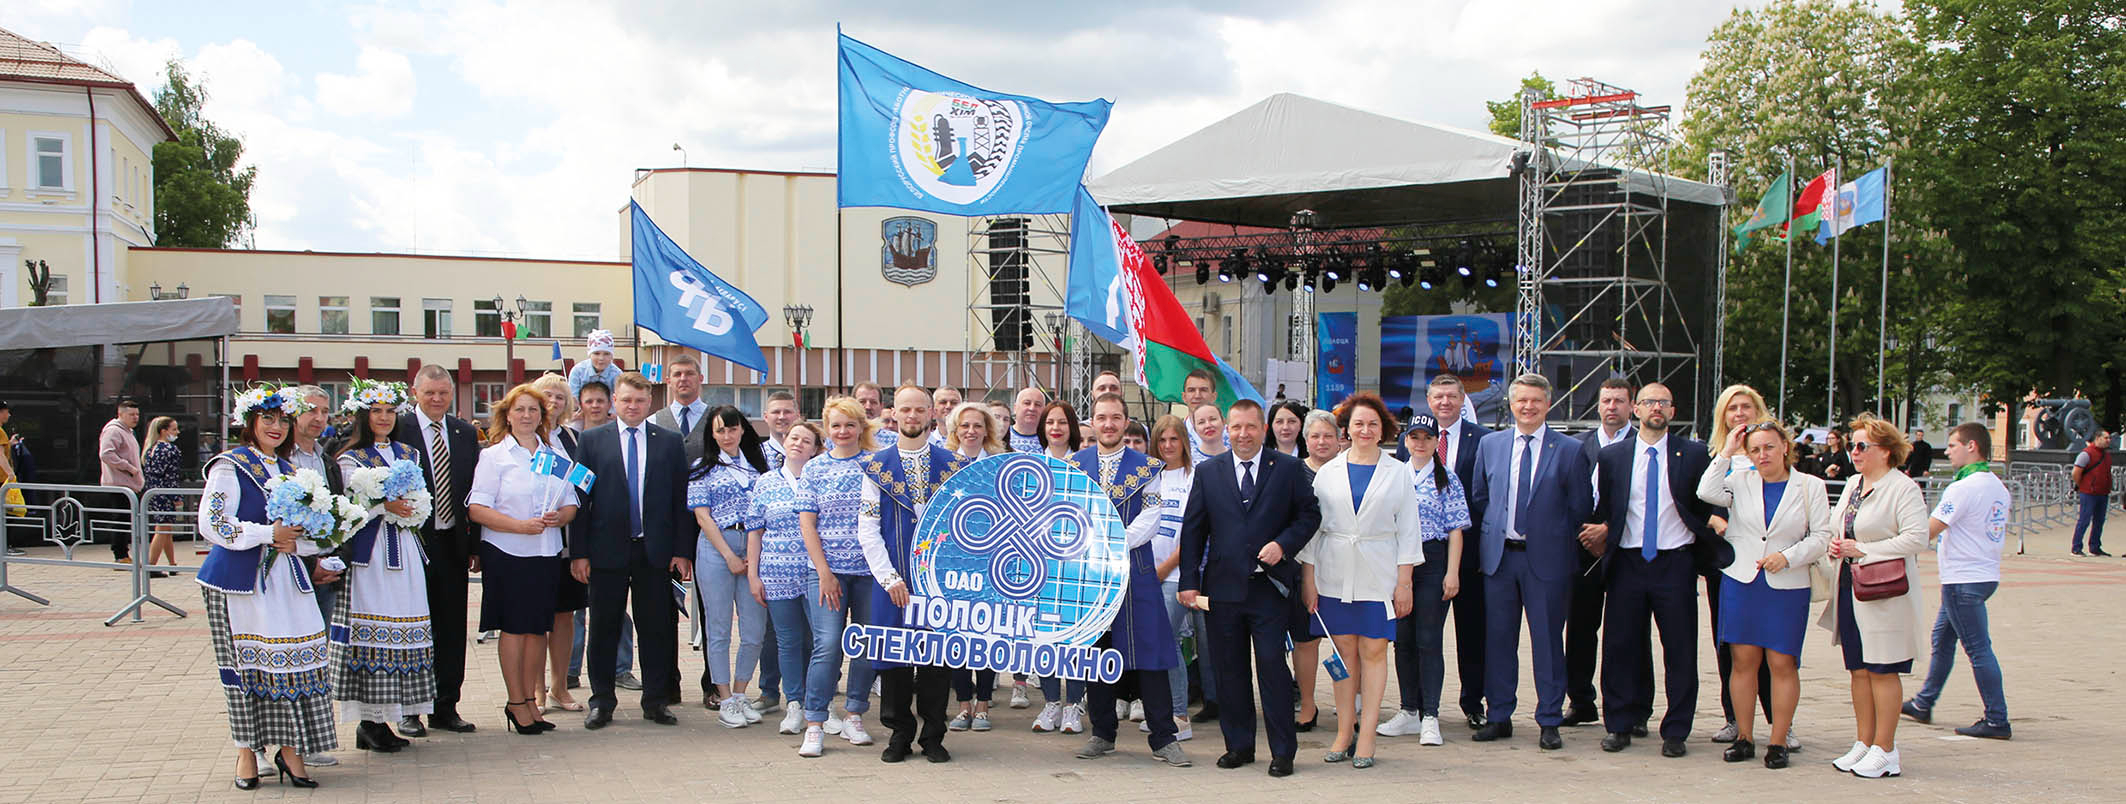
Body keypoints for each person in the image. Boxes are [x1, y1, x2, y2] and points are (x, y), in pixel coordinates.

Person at [195, 386, 333, 790]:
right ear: (250, 423)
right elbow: (213, 523)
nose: (276, 427)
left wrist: (300, 542)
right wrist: (266, 533)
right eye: (268, 419)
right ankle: (246, 751)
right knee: (247, 667)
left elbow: (313, 531)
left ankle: (291, 750)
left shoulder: (291, 470)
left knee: (294, 665)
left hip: (287, 580)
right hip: (240, 581)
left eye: (283, 420)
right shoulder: (230, 465)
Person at [1178, 399, 1323, 778]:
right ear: (1228, 429)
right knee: (1230, 671)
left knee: (1273, 670)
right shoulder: (1209, 472)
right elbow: (1193, 530)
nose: (1243, 435)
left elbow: (1310, 514)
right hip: (1222, 590)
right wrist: (1189, 582)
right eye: (1237, 427)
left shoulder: (1288, 469)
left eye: (1251, 427)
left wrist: (1284, 544)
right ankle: (1239, 746)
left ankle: (1282, 752)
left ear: (1264, 429)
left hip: (1269, 588)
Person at [1584, 382, 1716, 758]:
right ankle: (1620, 724)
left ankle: (1676, 729)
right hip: (1627, 561)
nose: (1656, 408)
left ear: (1672, 411)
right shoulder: (1613, 457)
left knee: (1679, 649)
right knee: (1620, 647)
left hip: (1675, 562)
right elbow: (1607, 508)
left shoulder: (1693, 454)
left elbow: (1706, 502)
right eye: (1648, 402)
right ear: (1636, 410)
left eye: (1664, 402)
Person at [1468, 374, 1594, 751]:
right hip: (1500, 560)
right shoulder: (1491, 445)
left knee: (1548, 643)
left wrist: (1550, 536)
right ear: (1511, 404)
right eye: (1521, 400)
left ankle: (1549, 719)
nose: (1528, 407)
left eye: (1536, 401)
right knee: (1499, 641)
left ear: (1547, 404)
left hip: (1548, 563)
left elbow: (1579, 507)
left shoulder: (1570, 449)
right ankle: (1499, 715)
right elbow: (1480, 496)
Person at [1697, 419, 1832, 768]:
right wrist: (1728, 451)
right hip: (1743, 581)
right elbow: (1706, 492)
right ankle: (1744, 736)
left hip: (1786, 583)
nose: (1763, 455)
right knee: (1743, 662)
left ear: (1785, 446)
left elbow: (1821, 537)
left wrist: (1787, 557)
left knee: (1782, 662)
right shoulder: (1740, 481)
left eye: (1769, 447)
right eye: (1755, 449)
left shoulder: (1810, 486)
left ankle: (1778, 740)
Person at [1299, 393, 1421, 769]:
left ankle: (1367, 735)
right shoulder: (1329, 471)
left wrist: (1405, 583)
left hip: (1378, 575)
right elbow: (1314, 530)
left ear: (1382, 429)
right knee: (1342, 655)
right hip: (1334, 573)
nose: (1365, 430)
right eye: (1358, 424)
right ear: (1346, 431)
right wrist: (1309, 579)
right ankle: (1344, 730)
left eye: (1372, 424)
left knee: (1374, 652)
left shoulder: (1399, 470)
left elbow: (1409, 531)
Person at [571, 371, 693, 730]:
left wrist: (681, 550)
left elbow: (679, 500)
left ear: (649, 402)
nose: (633, 406)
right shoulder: (591, 441)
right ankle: (602, 701)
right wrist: (578, 552)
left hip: (654, 552)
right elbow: (580, 500)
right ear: (614, 402)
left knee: (656, 629)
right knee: (605, 628)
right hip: (605, 551)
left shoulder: (669, 442)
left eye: (639, 401)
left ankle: (655, 701)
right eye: (626, 400)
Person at [1074, 393, 1191, 767]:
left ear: (1126, 422)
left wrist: (1111, 543)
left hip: (1135, 571)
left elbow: (1151, 517)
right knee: (1097, 653)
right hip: (1091, 574)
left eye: (1116, 418)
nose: (1108, 424)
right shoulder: (1075, 465)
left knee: (1150, 653)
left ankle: (1163, 737)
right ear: (1092, 421)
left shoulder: (1147, 467)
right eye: (1101, 417)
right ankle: (1102, 732)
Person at [856, 385, 966, 763]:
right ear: (894, 414)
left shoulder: (953, 465)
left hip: (939, 581)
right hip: (894, 579)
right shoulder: (875, 466)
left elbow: (968, 526)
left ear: (933, 414)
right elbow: (867, 529)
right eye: (906, 410)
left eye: (920, 410)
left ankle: (933, 735)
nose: (913, 416)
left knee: (937, 661)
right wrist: (889, 578)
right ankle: (899, 733)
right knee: (895, 660)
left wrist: (953, 579)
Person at [330, 378, 437, 753]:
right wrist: (382, 507)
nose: (384, 417)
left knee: (405, 625)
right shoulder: (349, 459)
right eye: (376, 411)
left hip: (405, 548)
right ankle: (369, 720)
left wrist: (413, 512)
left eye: (390, 411)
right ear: (363, 414)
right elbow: (345, 511)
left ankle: (390, 716)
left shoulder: (409, 453)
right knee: (374, 629)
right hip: (370, 553)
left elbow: (421, 499)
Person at [1823, 414, 1931, 779]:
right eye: (1852, 445)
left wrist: (1864, 549)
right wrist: (1837, 545)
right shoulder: (1854, 483)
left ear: (1885, 452)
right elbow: (1839, 526)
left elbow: (1917, 539)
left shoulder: (1903, 488)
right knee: (1858, 669)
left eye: (1861, 446)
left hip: (1885, 591)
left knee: (1883, 669)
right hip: (1850, 585)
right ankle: (1864, 742)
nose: (1854, 452)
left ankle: (1886, 748)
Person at [468, 385, 578, 735]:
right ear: (508, 415)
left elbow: (570, 502)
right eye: (520, 410)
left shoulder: (555, 455)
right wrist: (519, 526)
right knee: (515, 629)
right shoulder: (494, 456)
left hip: (545, 552)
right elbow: (477, 509)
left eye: (533, 410)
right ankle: (516, 702)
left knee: (537, 630)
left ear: (543, 416)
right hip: (508, 553)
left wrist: (561, 518)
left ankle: (533, 701)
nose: (527, 416)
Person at [1902, 422, 2014, 740]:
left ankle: (1997, 718)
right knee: (1943, 638)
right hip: (1984, 573)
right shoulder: (1996, 485)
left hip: (1963, 577)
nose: (1948, 451)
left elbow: (1931, 529)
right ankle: (1924, 702)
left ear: (1972, 447)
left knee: (1978, 648)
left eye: (1953, 445)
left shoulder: (1963, 488)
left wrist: (1894, 541)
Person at [392, 365, 481, 736]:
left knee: (450, 627)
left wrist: (475, 546)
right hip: (413, 543)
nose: (437, 399)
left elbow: (473, 492)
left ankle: (445, 705)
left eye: (443, 393)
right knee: (414, 627)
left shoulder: (463, 433)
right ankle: (409, 709)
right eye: (430, 393)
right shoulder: (398, 428)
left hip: (453, 545)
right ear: (415, 392)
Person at [1377, 412, 1469, 746]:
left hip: (1432, 561)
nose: (1419, 443)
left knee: (1428, 639)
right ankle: (1408, 711)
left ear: (1435, 442)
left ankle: (1431, 714)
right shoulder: (1393, 475)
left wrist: (1452, 572)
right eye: (1414, 437)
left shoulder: (1447, 479)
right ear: (1405, 440)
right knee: (1402, 638)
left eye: (1426, 438)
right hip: (1398, 563)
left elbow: (1456, 529)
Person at [801, 397, 883, 746]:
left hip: (869, 574)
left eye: (850, 425)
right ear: (826, 428)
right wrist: (824, 571)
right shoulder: (815, 469)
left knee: (865, 645)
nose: (843, 431)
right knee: (828, 645)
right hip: (827, 572)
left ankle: (854, 715)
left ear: (861, 427)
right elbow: (807, 524)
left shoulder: (876, 464)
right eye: (836, 425)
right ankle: (815, 723)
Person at [1705, 383, 1778, 745]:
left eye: (1746, 407)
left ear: (1758, 410)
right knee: (1730, 647)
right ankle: (1735, 718)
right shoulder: (1715, 457)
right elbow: (1702, 502)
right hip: (1728, 565)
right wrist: (1714, 520)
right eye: (1732, 409)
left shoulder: (1773, 455)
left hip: (1773, 564)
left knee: (1775, 650)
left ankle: (1781, 722)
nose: (1739, 414)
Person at [689, 406, 769, 727]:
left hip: (754, 546)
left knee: (754, 629)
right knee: (718, 627)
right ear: (712, 433)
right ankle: (723, 696)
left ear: (742, 430)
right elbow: (702, 516)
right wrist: (729, 556)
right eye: (720, 430)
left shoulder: (759, 467)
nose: (727, 436)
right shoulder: (702, 468)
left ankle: (739, 692)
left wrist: (754, 553)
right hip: (716, 547)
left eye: (732, 429)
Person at [1566, 378, 1637, 728]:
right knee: (1579, 628)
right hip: (1583, 547)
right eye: (1607, 400)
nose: (1612, 407)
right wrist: (1586, 533)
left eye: (1619, 401)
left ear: (1632, 406)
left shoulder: (1643, 444)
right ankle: (1580, 701)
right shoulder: (1579, 445)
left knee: (1628, 632)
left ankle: (1633, 709)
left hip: (1627, 548)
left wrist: (1609, 530)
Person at [566, 380, 642, 693]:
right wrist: (579, 551)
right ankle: (577, 674)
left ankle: (622, 669)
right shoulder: (584, 440)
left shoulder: (643, 438)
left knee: (620, 618)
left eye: (600, 401)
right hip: (600, 546)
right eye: (589, 401)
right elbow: (580, 499)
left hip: (638, 546)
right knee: (588, 617)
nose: (595, 406)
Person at [752, 421, 825, 744]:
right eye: (793, 437)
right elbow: (755, 531)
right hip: (776, 571)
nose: (797, 443)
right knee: (788, 640)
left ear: (815, 448)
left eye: (805, 440)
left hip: (814, 572)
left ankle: (818, 704)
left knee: (821, 641)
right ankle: (793, 702)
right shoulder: (765, 482)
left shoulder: (821, 478)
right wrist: (753, 574)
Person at [1428, 375, 1491, 730]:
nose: (1445, 402)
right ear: (1430, 400)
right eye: (1438, 396)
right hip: (1427, 553)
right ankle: (1422, 704)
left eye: (1451, 396)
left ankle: (1473, 702)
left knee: (1472, 632)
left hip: (1470, 551)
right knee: (1425, 633)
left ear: (1462, 399)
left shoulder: (1482, 440)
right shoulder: (1415, 439)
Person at [940, 401, 1007, 731]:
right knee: (957, 637)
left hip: (988, 564)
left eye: (977, 425)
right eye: (964, 426)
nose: (970, 431)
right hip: (952, 564)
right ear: (955, 431)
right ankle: (963, 705)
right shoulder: (943, 466)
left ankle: (983, 704)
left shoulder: (998, 467)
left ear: (987, 431)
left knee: (986, 636)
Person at [530, 373, 588, 714]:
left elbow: (582, 484)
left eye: (560, 397)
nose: (553, 402)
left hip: (567, 538)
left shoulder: (571, 437)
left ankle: (560, 686)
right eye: (547, 396)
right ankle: (535, 690)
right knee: (537, 617)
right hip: (533, 539)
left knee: (566, 615)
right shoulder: (522, 437)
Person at [1031, 400, 1089, 733]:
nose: (1056, 428)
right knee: (1045, 637)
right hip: (1040, 565)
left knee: (1076, 638)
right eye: (1050, 422)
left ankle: (1074, 705)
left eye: (1062, 422)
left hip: (1076, 566)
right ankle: (1052, 703)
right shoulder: (1030, 464)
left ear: (1072, 429)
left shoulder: (1083, 465)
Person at [1145, 415, 1199, 742]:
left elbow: (1194, 533)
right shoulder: (1149, 477)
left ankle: (1179, 714)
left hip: (1176, 574)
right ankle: (1160, 710)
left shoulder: (1195, 478)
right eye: (1162, 440)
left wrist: (1165, 568)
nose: (1167, 446)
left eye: (1173, 440)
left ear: (1183, 443)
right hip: (1144, 573)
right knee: (1154, 641)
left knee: (1168, 638)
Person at [98, 398, 145, 562]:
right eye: (131, 414)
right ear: (121, 414)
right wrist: (129, 468)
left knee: (126, 519)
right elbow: (106, 454)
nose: (135, 417)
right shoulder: (113, 431)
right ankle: (120, 554)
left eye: (137, 414)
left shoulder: (128, 432)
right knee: (121, 519)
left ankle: (123, 553)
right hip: (119, 483)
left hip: (129, 483)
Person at [141, 416, 185, 574]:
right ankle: (151, 566)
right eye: (174, 429)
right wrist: (176, 497)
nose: (177, 432)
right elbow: (170, 476)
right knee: (162, 529)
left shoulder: (151, 449)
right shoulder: (169, 449)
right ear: (163, 431)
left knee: (165, 528)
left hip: (153, 492)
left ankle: (171, 564)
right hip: (165, 493)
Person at [650, 353, 708, 464]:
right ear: (668, 381)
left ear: (701, 378)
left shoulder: (717, 419)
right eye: (677, 374)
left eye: (689, 373)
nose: (683, 379)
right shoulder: (653, 422)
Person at [2070, 429, 2112, 556]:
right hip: (2089, 492)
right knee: (2084, 519)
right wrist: (2082, 485)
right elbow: (2075, 473)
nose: (2108, 440)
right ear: (2097, 438)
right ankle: (2076, 547)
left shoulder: (2106, 455)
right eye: (2106, 438)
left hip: (2102, 492)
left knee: (2099, 521)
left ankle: (2095, 547)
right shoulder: (2086, 454)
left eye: (2109, 438)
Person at [567, 329, 622, 398]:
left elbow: (619, 401)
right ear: (590, 354)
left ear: (612, 356)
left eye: (606, 354)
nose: (601, 358)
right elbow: (573, 399)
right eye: (596, 353)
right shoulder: (578, 371)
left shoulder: (617, 374)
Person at [762, 390, 801, 472]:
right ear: (766, 417)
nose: (782, 417)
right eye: (776, 412)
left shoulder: (810, 452)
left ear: (798, 416)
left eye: (787, 412)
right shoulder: (756, 454)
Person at [1008, 387, 1046, 453]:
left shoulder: (1050, 439)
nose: (1032, 408)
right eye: (1027, 403)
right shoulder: (1002, 436)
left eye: (1037, 404)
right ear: (1015, 408)